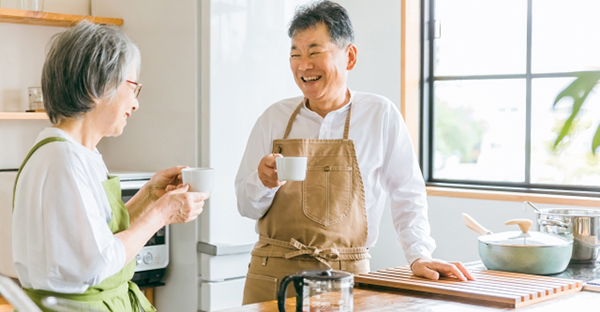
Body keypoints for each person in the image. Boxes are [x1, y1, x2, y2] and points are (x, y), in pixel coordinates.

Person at [235, 0, 474, 304]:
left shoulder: (380, 115)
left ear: (349, 57)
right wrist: (262, 181)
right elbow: (245, 205)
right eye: (295, 54)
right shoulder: (274, 118)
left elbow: (407, 191)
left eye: (314, 51)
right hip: (272, 277)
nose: (303, 64)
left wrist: (418, 255)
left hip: (345, 278)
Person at [12, 22, 209, 312]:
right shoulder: (62, 160)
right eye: (133, 87)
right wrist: (160, 214)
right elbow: (96, 262)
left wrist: (148, 196)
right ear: (96, 86)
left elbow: (95, 238)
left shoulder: (81, 154)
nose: (136, 103)